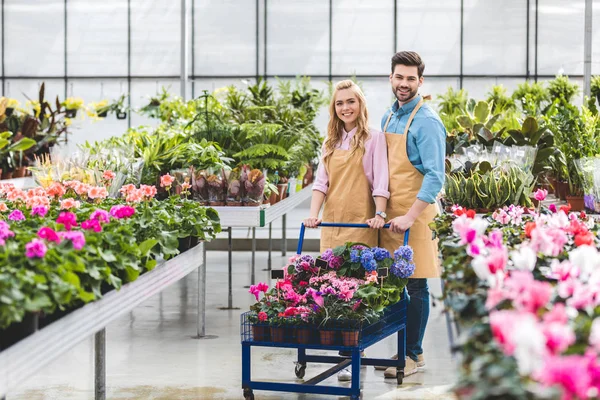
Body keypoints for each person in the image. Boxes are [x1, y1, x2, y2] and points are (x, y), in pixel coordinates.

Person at [304, 79, 390, 381]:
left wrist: (379, 213)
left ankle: (355, 351)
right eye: (340, 103)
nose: (345, 108)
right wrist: (313, 215)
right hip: (332, 224)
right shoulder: (329, 142)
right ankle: (344, 349)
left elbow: (381, 181)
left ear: (360, 104)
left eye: (350, 101)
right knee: (332, 287)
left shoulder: (374, 139)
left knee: (357, 288)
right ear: (334, 108)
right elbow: (320, 184)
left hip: (360, 223)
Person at [377, 51, 446, 379]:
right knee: (392, 283)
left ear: (420, 81)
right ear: (390, 78)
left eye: (410, 78)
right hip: (391, 215)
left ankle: (413, 355)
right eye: (399, 77)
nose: (404, 84)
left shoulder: (427, 120)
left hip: (415, 215)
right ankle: (400, 350)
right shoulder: (389, 118)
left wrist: (410, 215)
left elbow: (435, 176)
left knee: (416, 285)